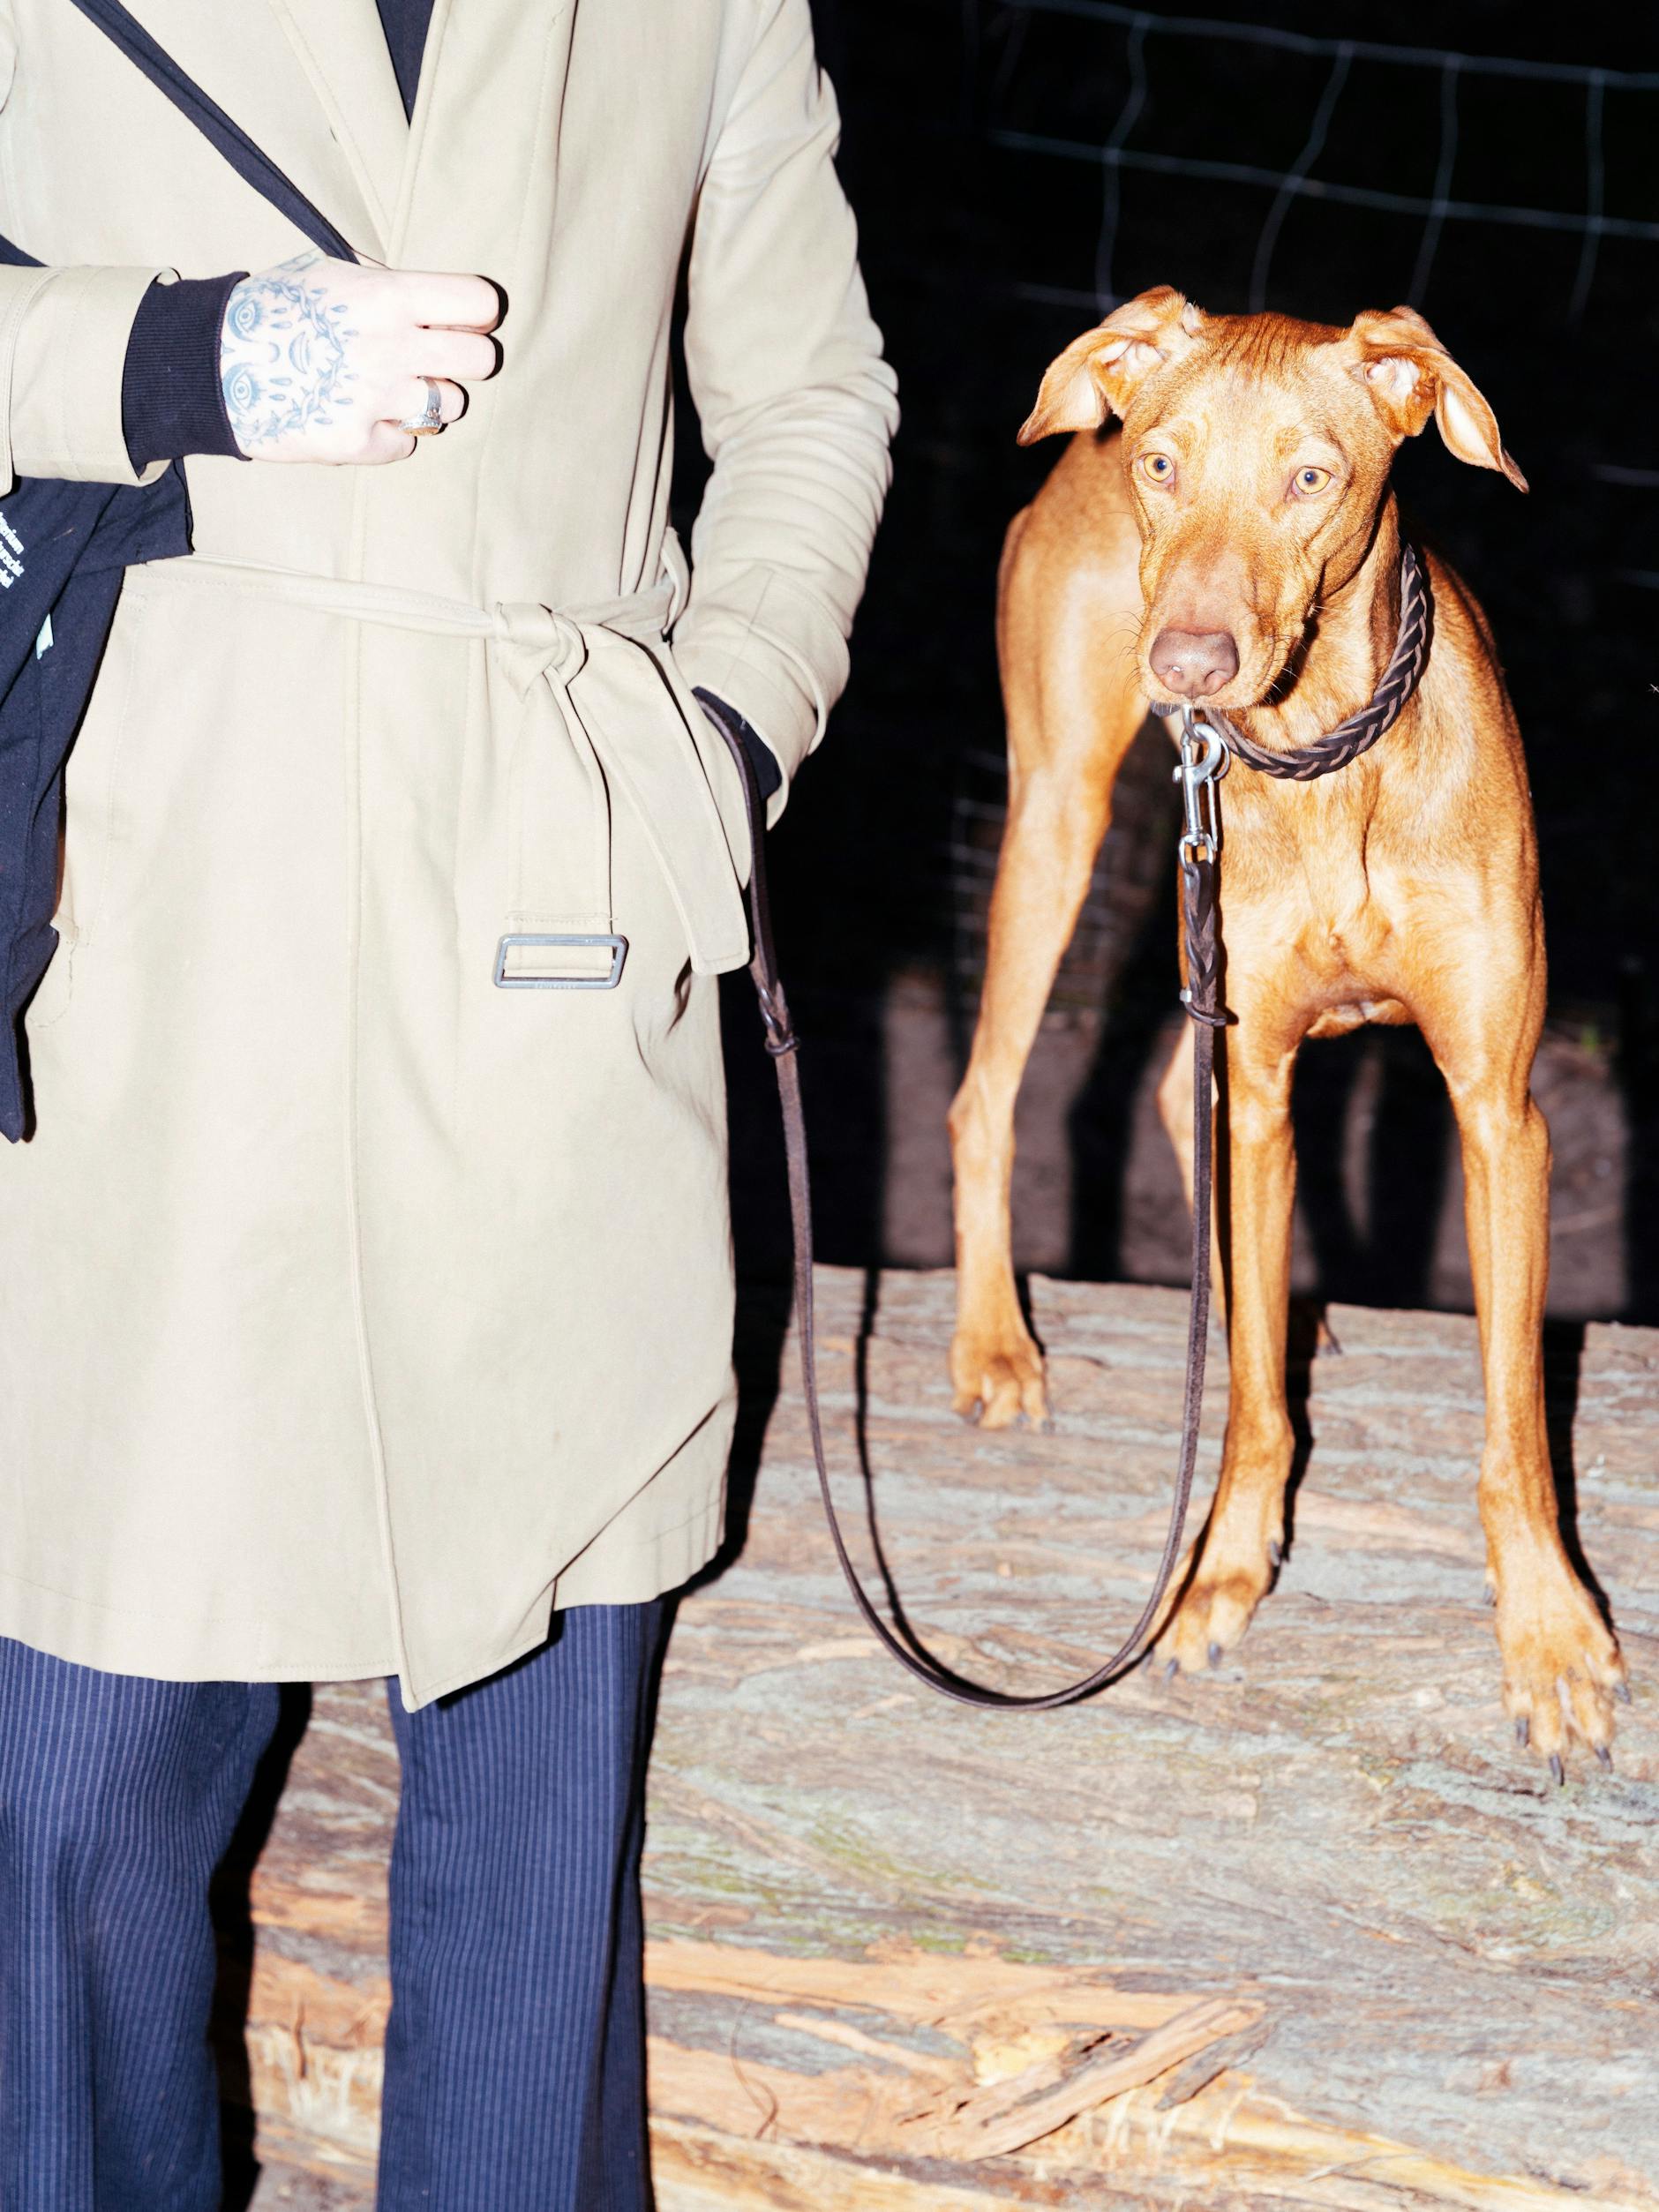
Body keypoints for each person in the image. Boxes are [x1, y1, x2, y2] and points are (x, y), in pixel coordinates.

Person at [0, 2, 896, 2205]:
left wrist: (719, 743)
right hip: (155, 934)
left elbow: (810, 389)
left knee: (529, 1832)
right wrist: (166, 358)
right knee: (76, 1798)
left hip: (553, 935)